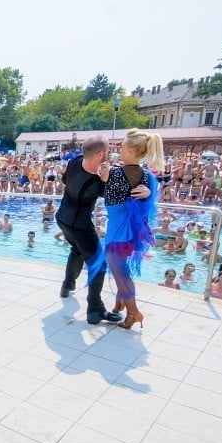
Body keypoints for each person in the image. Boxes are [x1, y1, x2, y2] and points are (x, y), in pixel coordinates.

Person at [56, 135, 150, 325]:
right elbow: (125, 195)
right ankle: (95, 309)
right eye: (108, 151)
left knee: (77, 250)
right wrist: (148, 193)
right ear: (99, 154)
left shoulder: (75, 161)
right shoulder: (97, 181)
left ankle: (67, 285)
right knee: (99, 263)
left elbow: (66, 180)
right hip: (80, 225)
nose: (111, 154)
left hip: (62, 218)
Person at [104, 129, 164, 329]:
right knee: (123, 268)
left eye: (121, 146)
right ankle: (121, 302)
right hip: (133, 233)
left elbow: (105, 190)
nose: (119, 149)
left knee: (120, 271)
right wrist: (148, 194)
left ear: (129, 151)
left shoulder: (115, 173)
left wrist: (103, 175)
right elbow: (150, 203)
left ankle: (134, 312)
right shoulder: (147, 177)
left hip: (118, 231)